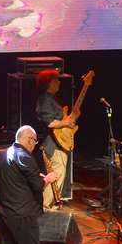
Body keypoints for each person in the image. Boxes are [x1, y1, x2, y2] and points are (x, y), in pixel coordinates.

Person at [0, 125, 59, 244]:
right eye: (34, 141)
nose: (34, 145)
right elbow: (38, 186)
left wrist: (34, 177)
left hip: (5, 213)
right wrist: (48, 178)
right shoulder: (25, 157)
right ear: (29, 139)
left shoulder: (4, 153)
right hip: (23, 215)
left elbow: (19, 179)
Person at [35, 69, 74, 209]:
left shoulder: (51, 99)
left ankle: (50, 207)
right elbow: (50, 122)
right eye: (56, 80)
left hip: (59, 143)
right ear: (49, 83)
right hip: (52, 144)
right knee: (56, 175)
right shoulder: (45, 99)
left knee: (58, 175)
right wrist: (66, 123)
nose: (59, 82)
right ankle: (45, 208)